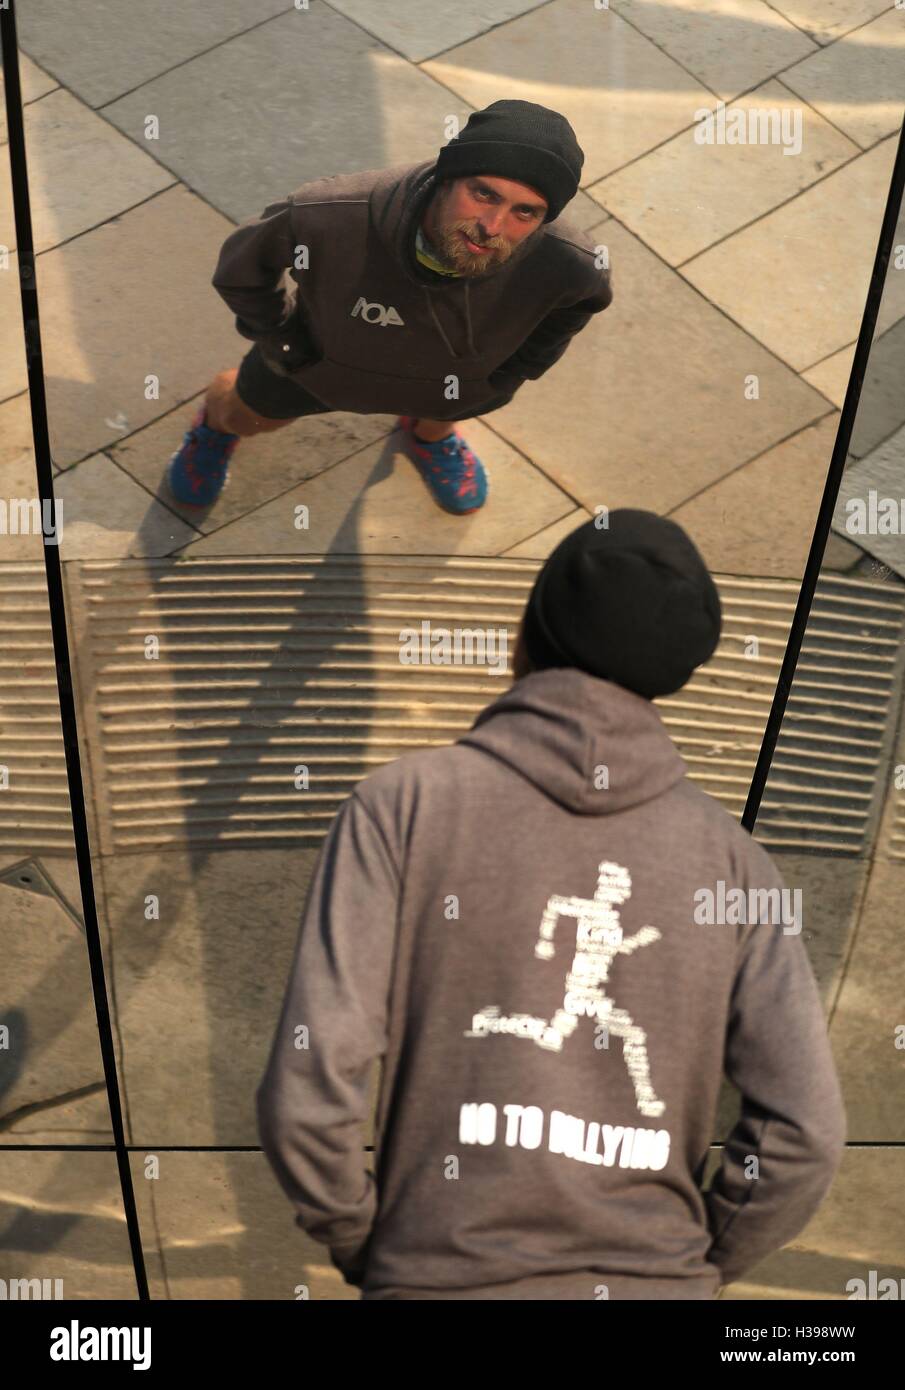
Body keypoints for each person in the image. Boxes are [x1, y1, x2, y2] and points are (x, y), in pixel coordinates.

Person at [255, 510, 847, 1301]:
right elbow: (803, 1133)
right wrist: (692, 1269)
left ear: (521, 636)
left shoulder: (402, 808)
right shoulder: (735, 867)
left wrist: (373, 1246)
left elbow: (310, 1076)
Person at [166, 99, 612, 515]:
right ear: (447, 176)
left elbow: (575, 308)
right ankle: (214, 429)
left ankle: (428, 438)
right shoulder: (329, 213)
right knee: (243, 417)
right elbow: (241, 271)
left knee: (443, 414)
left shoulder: (570, 262)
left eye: (525, 212)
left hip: (453, 387)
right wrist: (282, 340)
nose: (491, 226)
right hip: (313, 368)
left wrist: (509, 373)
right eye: (484, 194)